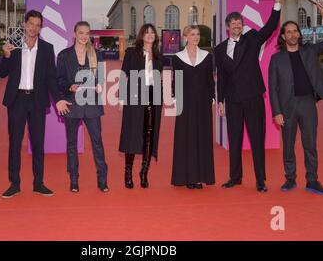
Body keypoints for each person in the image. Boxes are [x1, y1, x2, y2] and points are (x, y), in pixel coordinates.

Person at [214, 0, 281, 193]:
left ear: (242, 25)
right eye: (233, 23)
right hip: (232, 100)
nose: (237, 26)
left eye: (239, 23)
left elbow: (270, 27)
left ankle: (261, 180)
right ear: (227, 27)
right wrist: (221, 101)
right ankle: (235, 177)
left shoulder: (252, 39)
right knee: (234, 140)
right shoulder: (219, 49)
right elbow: (222, 77)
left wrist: (277, 1)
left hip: (253, 98)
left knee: (257, 139)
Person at [0, 10, 71, 198]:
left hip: (37, 101)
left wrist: (59, 99)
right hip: (17, 100)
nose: (33, 28)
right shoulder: (13, 46)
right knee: (15, 143)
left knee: (38, 144)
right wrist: (5, 56)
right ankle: (14, 183)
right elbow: (1, 73)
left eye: (37, 25)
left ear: (41, 28)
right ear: (24, 24)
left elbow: (51, 79)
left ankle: (39, 183)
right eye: (30, 24)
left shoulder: (47, 49)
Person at [268, 5, 323, 195]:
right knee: (288, 145)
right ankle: (290, 179)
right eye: (288, 32)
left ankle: (312, 180)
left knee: (310, 144)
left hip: (307, 103)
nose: (292, 34)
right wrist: (277, 112)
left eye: (295, 31)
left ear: (299, 34)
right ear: (283, 37)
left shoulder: (309, 51)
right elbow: (272, 88)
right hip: (287, 107)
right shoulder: (276, 60)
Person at [56, 21, 109, 193]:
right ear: (74, 34)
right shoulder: (64, 55)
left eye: (87, 33)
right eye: (81, 33)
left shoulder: (96, 54)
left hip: (92, 104)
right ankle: (73, 180)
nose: (84, 36)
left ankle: (102, 180)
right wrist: (69, 87)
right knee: (71, 144)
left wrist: (99, 85)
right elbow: (60, 80)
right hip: (72, 104)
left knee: (97, 142)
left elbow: (101, 77)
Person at [118, 23, 163, 189]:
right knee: (132, 132)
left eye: (152, 32)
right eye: (147, 32)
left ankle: (144, 172)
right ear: (141, 36)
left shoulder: (159, 55)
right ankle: (128, 172)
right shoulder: (131, 52)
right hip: (134, 96)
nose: (150, 35)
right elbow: (123, 76)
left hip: (153, 96)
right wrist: (122, 99)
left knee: (149, 134)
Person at [171, 25, 215, 189]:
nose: (196, 37)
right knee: (186, 138)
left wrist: (212, 98)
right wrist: (176, 100)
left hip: (203, 102)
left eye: (197, 34)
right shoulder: (177, 57)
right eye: (192, 34)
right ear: (185, 36)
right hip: (185, 102)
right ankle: (187, 177)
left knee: (202, 137)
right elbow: (177, 80)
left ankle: (202, 175)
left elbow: (210, 80)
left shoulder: (207, 56)